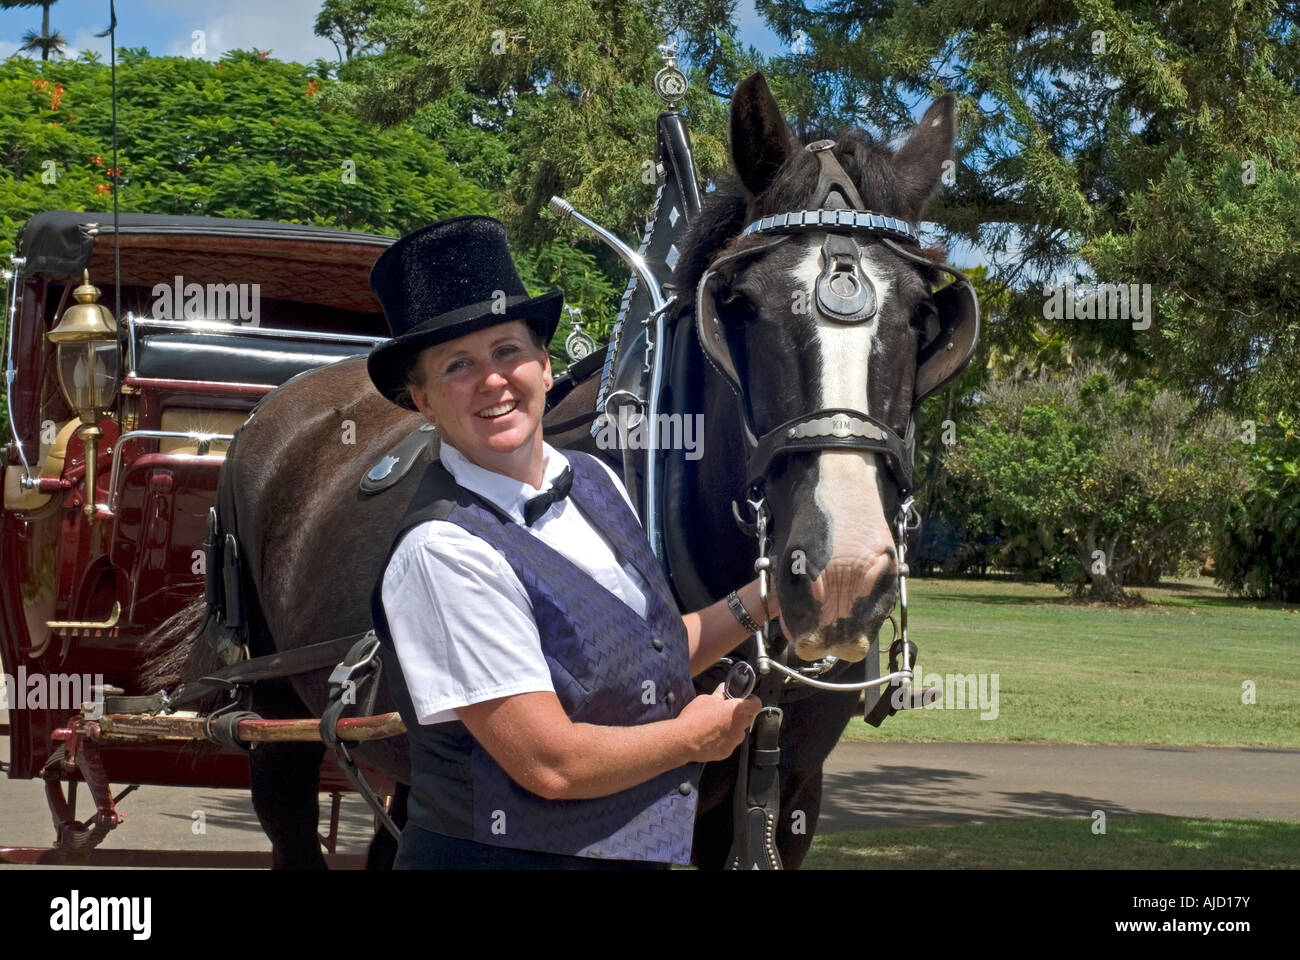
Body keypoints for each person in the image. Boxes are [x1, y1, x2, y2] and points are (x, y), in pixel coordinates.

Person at [365, 216, 777, 869]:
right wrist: (690, 739)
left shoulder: (596, 480)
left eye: (507, 351)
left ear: (544, 364)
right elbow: (549, 763)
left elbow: (650, 657)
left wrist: (765, 598)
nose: (493, 380)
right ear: (422, 400)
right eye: (459, 365)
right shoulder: (441, 550)